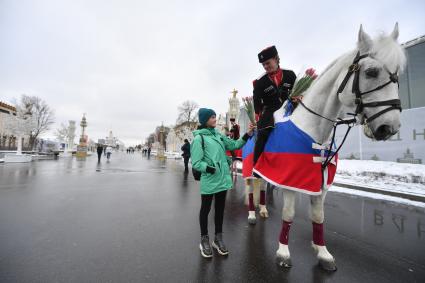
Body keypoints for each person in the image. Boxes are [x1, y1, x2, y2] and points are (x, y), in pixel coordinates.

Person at [191, 108, 254, 258]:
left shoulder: (218, 136)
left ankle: (218, 238)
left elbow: (234, 145)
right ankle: (204, 239)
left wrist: (247, 134)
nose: (215, 119)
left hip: (223, 180)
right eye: (212, 117)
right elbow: (196, 162)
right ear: (205, 120)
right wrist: (209, 168)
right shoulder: (199, 138)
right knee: (205, 210)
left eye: (214, 116)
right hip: (209, 180)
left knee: (220, 210)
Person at [253, 45, 297, 168]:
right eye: (263, 65)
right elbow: (257, 103)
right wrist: (258, 116)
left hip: (290, 109)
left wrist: (297, 98)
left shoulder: (290, 74)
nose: (266, 67)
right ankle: (256, 167)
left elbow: (299, 92)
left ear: (276, 59)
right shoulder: (259, 82)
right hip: (270, 112)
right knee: (262, 133)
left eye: (268, 63)